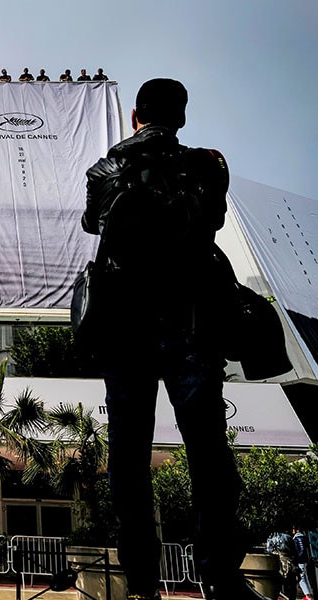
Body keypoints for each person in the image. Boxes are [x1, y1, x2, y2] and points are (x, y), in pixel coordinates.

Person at [81, 78, 267, 600]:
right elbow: (213, 218)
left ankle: (143, 582)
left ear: (136, 115)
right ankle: (218, 574)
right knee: (208, 454)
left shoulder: (106, 168)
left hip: (126, 334)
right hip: (191, 327)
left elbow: (94, 222)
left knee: (129, 459)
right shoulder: (209, 165)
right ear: (181, 117)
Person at [294, 526, 315, 600]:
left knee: (301, 578)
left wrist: (297, 559)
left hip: (300, 560)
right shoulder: (304, 538)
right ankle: (309, 595)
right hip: (305, 560)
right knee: (305, 577)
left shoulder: (297, 538)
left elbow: (301, 550)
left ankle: (308, 596)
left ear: (296, 530)